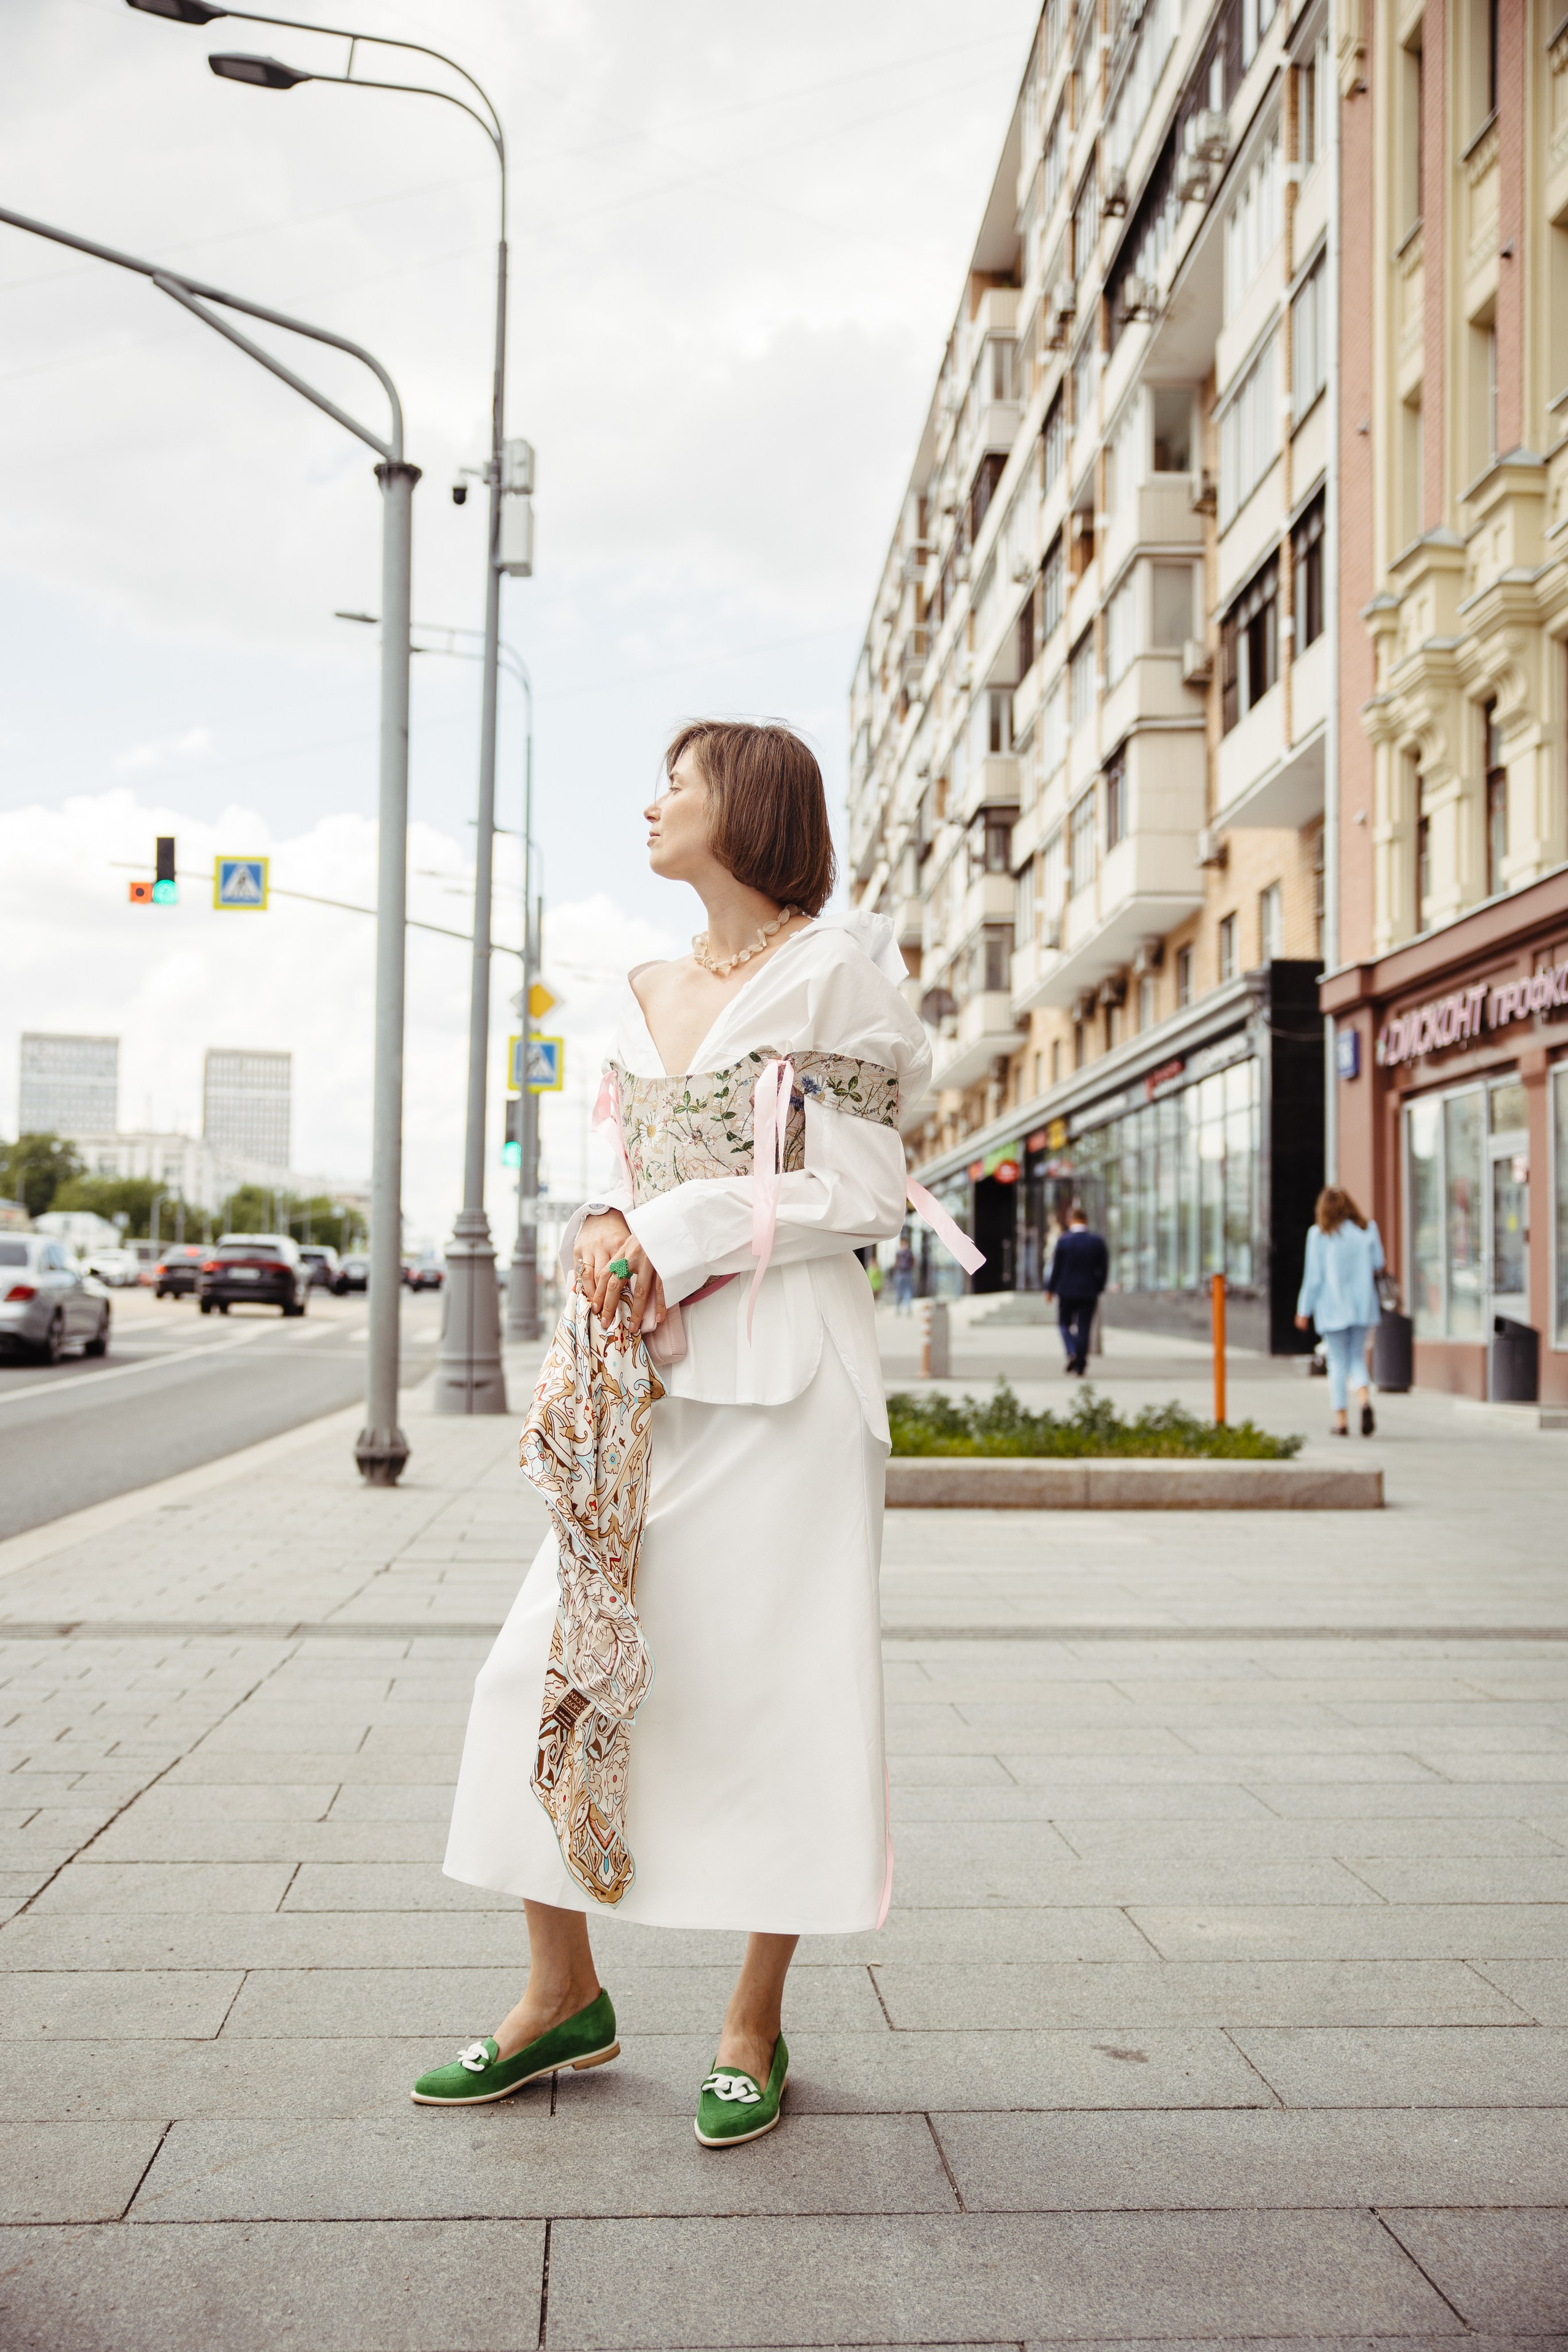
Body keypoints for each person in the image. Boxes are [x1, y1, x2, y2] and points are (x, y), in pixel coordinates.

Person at [416, 719, 976, 2150]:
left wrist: (671, 1227)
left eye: (681, 777)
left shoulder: (837, 972)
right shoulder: (641, 984)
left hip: (787, 1387)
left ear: (753, 805)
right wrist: (610, 1223)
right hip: (642, 1388)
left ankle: (751, 2021)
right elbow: (625, 1173)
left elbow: (857, 1186)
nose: (652, 797)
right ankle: (562, 1995)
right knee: (531, 1675)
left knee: (783, 1698)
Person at [1295, 1185, 1384, 1436]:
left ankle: (1341, 1420)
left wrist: (1304, 1310)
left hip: (1332, 1306)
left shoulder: (1319, 1235)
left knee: (1337, 1361)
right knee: (1356, 1356)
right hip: (1363, 1306)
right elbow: (1379, 1264)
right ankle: (1364, 1400)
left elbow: (1313, 1278)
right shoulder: (1368, 1230)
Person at [1044, 1201, 1107, 1376]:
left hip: (1066, 1290)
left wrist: (1050, 1289)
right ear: (1086, 1221)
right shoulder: (1097, 1242)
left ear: (1072, 1220)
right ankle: (1081, 1362)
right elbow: (1103, 1268)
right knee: (1084, 1327)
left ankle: (1072, 1352)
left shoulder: (1064, 1241)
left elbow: (1056, 1267)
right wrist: (1099, 1287)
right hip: (1089, 1290)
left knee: (1064, 1323)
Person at [892, 1235, 916, 1313]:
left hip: (901, 1273)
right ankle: (907, 1309)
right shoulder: (909, 1253)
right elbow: (914, 1262)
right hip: (907, 1273)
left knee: (900, 1291)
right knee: (907, 1291)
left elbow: (896, 1263)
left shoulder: (899, 1253)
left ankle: (899, 1309)